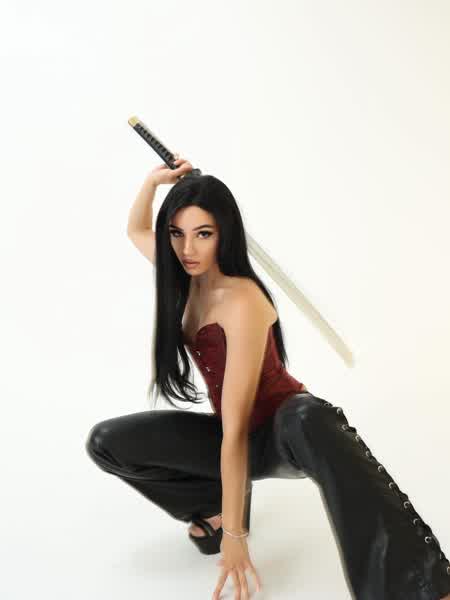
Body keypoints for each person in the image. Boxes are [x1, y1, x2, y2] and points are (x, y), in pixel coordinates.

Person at [85, 156, 450, 600]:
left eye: (203, 234)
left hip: (284, 434)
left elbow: (238, 432)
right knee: (106, 441)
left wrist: (237, 538)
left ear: (225, 234)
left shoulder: (242, 302)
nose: (188, 249)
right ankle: (211, 509)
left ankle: (419, 584)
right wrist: (153, 182)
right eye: (177, 233)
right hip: (233, 431)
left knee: (307, 415)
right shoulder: (183, 274)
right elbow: (137, 230)